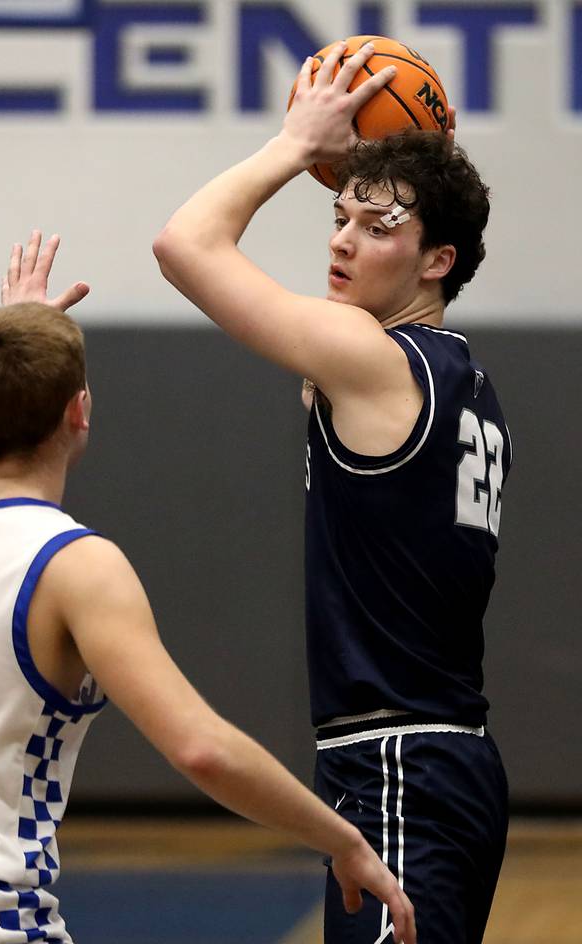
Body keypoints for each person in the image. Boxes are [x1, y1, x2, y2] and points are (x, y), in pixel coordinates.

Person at [0, 230, 415, 944]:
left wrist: (10, 331)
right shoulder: (72, 564)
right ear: (79, 412)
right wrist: (342, 838)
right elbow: (201, 749)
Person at [153, 40, 510, 944]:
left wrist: (293, 142)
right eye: (340, 216)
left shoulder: (368, 361)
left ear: (439, 261)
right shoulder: (464, 380)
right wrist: (410, 163)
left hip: (398, 763)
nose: (343, 240)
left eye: (378, 229)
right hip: (444, 758)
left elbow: (184, 245)